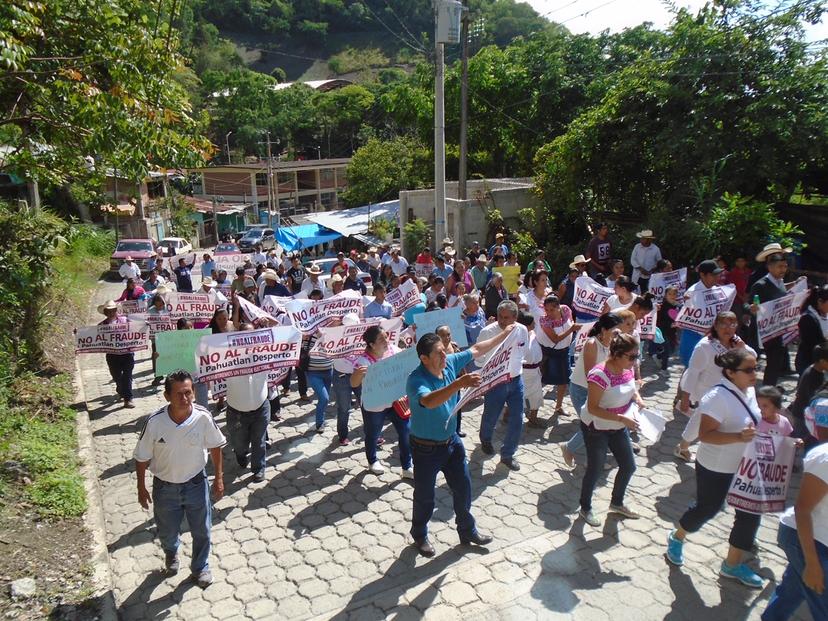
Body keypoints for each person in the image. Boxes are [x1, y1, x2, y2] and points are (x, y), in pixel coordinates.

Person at [405, 325, 516, 557]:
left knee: (463, 487)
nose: (445, 354)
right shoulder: (416, 380)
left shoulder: (449, 363)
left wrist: (505, 335)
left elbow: (476, 348)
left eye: (444, 350)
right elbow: (429, 401)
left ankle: (467, 531)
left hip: (452, 443)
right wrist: (458, 384)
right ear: (424, 358)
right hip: (425, 448)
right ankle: (419, 534)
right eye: (438, 352)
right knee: (425, 496)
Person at [666, 348, 765, 588]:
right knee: (708, 509)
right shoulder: (717, 398)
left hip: (746, 466)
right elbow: (707, 435)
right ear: (731, 372)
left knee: (750, 514)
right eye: (749, 370)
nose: (755, 373)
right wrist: (739, 437)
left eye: (756, 368)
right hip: (716, 466)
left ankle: (732, 564)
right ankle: (677, 536)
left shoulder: (749, 390)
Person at [133, 370, 225, 588]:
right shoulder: (155, 422)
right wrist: (141, 487)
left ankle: (200, 567)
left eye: (188, 393)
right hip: (165, 489)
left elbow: (215, 446)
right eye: (179, 394)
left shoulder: (203, 416)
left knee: (202, 529)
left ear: (194, 392)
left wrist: (218, 478)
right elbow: (141, 456)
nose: (185, 399)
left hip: (196, 484)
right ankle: (171, 553)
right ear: (167, 396)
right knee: (167, 530)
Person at [761, 392, 828, 621]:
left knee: (792, 592)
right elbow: (802, 510)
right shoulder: (824, 458)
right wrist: (812, 563)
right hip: (812, 543)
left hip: (814, 540)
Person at [576, 332, 643, 526]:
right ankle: (585, 507)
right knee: (595, 469)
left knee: (629, 466)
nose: (635, 360)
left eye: (636, 356)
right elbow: (593, 408)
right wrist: (622, 418)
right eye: (631, 356)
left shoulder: (626, 369)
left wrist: (637, 399)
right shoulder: (600, 374)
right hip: (596, 428)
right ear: (617, 354)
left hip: (619, 426)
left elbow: (631, 388)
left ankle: (617, 503)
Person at [675, 311, 756, 462]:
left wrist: (742, 347)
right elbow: (693, 372)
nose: (728, 328)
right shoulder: (705, 346)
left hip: (731, 390)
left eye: (732, 324)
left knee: (702, 419)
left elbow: (753, 357)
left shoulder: (736, 342)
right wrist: (685, 397)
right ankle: (684, 447)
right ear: (716, 326)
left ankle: (683, 446)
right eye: (723, 324)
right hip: (708, 391)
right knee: (702, 419)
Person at [561, 312, 624, 467]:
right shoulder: (591, 344)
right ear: (604, 330)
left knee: (598, 426)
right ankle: (571, 449)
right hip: (582, 390)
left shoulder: (614, 346)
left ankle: (595, 457)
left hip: (600, 392)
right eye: (615, 332)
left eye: (620, 332)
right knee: (593, 425)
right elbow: (590, 376)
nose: (619, 336)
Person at [475, 300, 529, 471]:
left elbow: (523, 351)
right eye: (500, 317)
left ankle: (508, 454)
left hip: (515, 380)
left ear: (515, 317)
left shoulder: (522, 330)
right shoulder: (487, 332)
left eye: (507, 318)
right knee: (491, 415)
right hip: (495, 383)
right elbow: (478, 359)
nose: (503, 321)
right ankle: (485, 438)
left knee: (517, 418)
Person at [350, 326, 412, 476]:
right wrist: (358, 374)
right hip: (375, 406)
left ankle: (407, 467)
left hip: (396, 402)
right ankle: (372, 461)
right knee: (373, 434)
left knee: (406, 432)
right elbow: (353, 384)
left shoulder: (393, 350)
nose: (386, 341)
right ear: (371, 344)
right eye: (381, 339)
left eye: (386, 336)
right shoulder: (363, 361)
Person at [224, 324, 271, 483]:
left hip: (261, 407)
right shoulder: (227, 357)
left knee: (259, 440)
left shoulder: (265, 353)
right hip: (236, 412)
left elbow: (284, 350)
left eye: (252, 335)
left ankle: (259, 468)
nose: (248, 339)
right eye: (244, 335)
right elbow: (206, 363)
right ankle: (241, 455)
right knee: (239, 443)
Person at [750, 250, 792, 386]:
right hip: (764, 329)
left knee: (776, 361)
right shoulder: (760, 285)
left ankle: (770, 388)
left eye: (785, 266)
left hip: (777, 327)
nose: (783, 269)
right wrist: (751, 308)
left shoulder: (780, 282)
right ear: (770, 267)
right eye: (780, 266)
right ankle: (767, 390)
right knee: (772, 360)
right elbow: (748, 303)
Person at [536, 294, 580, 417]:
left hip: (564, 352)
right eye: (546, 310)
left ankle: (558, 407)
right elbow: (555, 339)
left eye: (552, 309)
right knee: (540, 380)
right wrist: (571, 330)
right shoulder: (544, 320)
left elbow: (571, 321)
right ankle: (533, 409)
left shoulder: (566, 310)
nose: (549, 312)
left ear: (558, 307)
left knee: (563, 380)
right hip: (549, 353)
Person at [679, 259, 723, 366]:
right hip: (693, 335)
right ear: (703, 275)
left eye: (718, 274)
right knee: (690, 370)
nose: (718, 277)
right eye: (713, 275)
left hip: (711, 336)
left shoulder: (718, 291)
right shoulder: (692, 292)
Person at [97, 300, 135, 408]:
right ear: (105, 312)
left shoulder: (125, 320)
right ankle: (120, 389)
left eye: (112, 310)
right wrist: (80, 334)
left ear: (115, 310)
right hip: (112, 355)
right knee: (116, 375)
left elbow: (135, 328)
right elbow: (92, 336)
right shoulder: (101, 325)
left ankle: (128, 399)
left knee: (127, 375)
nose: (111, 312)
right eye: (108, 311)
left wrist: (144, 326)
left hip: (127, 353)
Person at [789, 344, 828, 445]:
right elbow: (813, 399)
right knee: (803, 444)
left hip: (807, 414)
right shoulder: (811, 376)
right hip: (802, 416)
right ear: (822, 361)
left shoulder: (819, 372)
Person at [518, 312, 545, 429]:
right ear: (527, 325)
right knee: (518, 396)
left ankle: (533, 418)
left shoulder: (533, 334)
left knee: (536, 395)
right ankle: (507, 414)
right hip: (523, 372)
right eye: (532, 322)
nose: (535, 323)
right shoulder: (519, 338)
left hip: (535, 371)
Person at [796, 285, 828, 374]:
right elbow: (812, 344)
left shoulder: (825, 315)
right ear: (820, 302)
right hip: (809, 362)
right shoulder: (807, 318)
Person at [656, 285, 680, 372]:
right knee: (667, 349)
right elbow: (659, 321)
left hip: (672, 332)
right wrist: (669, 324)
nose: (672, 296)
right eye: (670, 294)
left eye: (674, 294)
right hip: (663, 331)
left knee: (672, 349)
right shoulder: (662, 307)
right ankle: (664, 369)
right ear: (665, 295)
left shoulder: (678, 306)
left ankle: (658, 356)